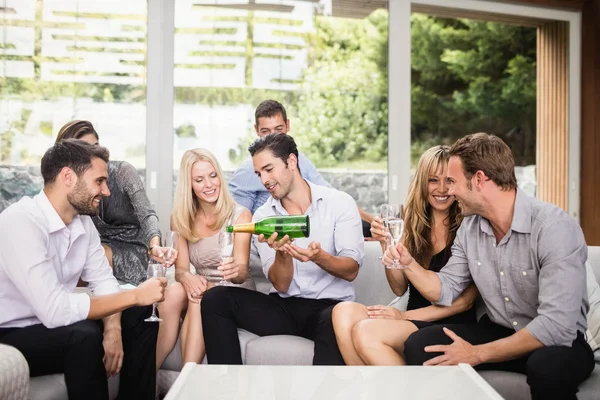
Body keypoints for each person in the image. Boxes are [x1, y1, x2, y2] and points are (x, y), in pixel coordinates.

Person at [383, 133, 594, 400]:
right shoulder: (471, 228)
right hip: (499, 329)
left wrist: (477, 353)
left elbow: (555, 326)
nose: (449, 191)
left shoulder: (553, 227)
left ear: (480, 180)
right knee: (420, 345)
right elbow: (446, 289)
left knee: (547, 367)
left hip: (557, 342)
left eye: (454, 182)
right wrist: (408, 262)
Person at [0, 139, 167, 400]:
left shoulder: (83, 224)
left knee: (141, 315)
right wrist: (135, 295)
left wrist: (113, 329)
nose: (107, 191)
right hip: (12, 332)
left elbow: (103, 281)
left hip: (50, 326)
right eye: (99, 181)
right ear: (68, 177)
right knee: (84, 336)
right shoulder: (20, 222)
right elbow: (55, 311)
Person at [201, 133, 365, 364]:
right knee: (215, 299)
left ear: (291, 162)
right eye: (259, 174)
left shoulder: (339, 203)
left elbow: (351, 270)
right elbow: (281, 284)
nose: (264, 180)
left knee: (334, 322)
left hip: (329, 308)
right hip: (285, 307)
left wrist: (319, 257)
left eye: (269, 169)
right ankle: (230, 389)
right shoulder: (264, 215)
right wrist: (282, 253)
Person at [330, 145, 477, 365]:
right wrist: (385, 245)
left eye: (449, 180)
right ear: (422, 184)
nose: (442, 189)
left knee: (366, 332)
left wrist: (404, 316)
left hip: (449, 322)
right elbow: (399, 287)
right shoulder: (411, 224)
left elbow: (464, 303)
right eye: (433, 180)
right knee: (343, 313)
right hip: (410, 318)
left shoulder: (469, 226)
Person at [155, 149, 254, 369]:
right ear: (189, 185)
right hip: (200, 288)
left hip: (233, 291)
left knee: (199, 296)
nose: (209, 184)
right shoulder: (179, 219)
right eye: (199, 180)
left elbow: (242, 271)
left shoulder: (240, 215)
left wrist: (234, 270)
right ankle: (146, 376)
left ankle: (186, 380)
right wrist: (187, 277)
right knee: (175, 291)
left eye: (213, 176)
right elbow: (181, 270)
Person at [228, 99, 374, 237]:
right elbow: (238, 221)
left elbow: (332, 195)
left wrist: (373, 222)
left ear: (287, 125)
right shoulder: (249, 169)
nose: (273, 138)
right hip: (269, 240)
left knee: (362, 228)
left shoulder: (300, 160)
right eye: (266, 131)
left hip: (305, 231)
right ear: (257, 130)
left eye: (278, 129)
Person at [56, 120, 173, 286]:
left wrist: (154, 247)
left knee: (92, 256)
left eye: (96, 146)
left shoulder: (122, 172)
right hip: (99, 247)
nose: (94, 154)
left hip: (135, 248)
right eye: (85, 150)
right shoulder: (72, 184)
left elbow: (147, 215)